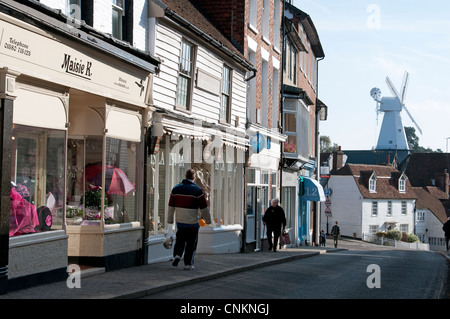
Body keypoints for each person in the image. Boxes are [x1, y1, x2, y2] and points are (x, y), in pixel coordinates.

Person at [168, 169, 212, 270]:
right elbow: (204, 208)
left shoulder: (175, 189)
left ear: (185, 176)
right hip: (192, 223)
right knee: (191, 243)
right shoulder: (197, 191)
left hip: (180, 221)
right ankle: (188, 264)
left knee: (180, 239)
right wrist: (208, 221)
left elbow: (171, 206)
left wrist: (170, 220)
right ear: (194, 178)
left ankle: (177, 255)